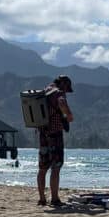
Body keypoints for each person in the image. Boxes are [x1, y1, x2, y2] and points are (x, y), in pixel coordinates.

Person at [36, 75, 73, 207]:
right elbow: (62, 102)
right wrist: (68, 115)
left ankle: (41, 199)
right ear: (63, 84)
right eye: (67, 88)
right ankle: (55, 199)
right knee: (56, 167)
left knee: (42, 168)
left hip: (42, 134)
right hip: (55, 135)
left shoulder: (45, 91)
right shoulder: (58, 92)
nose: (66, 91)